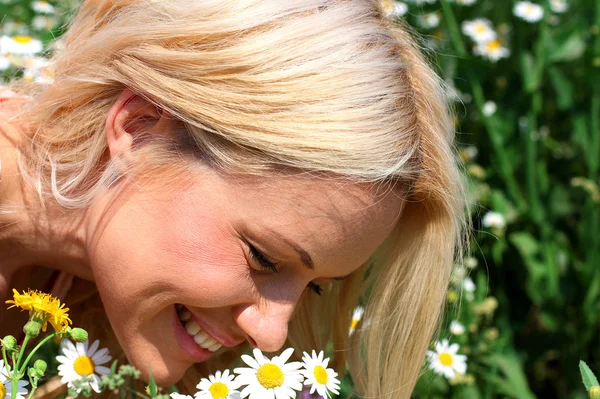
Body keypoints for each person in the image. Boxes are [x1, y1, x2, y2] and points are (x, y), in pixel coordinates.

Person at [0, 0, 468, 397]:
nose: (270, 338)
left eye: (316, 285)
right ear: (138, 130)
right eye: (262, 258)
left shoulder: (76, 287)